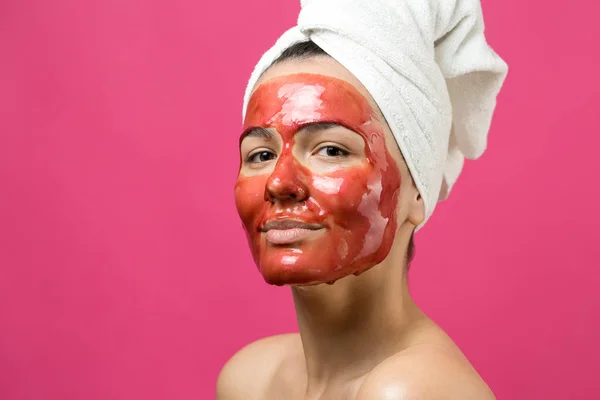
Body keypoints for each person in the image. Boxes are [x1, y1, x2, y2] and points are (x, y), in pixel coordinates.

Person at [218, 0, 508, 398]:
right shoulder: (249, 380)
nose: (279, 182)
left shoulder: (411, 391)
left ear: (417, 191)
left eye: (332, 150)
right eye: (261, 155)